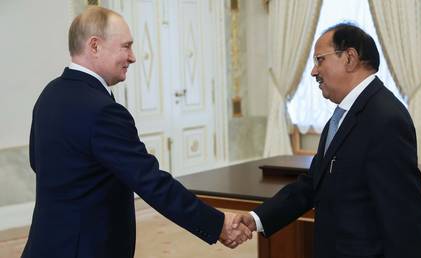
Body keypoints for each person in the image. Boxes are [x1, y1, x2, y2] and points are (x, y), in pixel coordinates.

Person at [21, 6, 250, 258]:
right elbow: (152, 183)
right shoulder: (103, 112)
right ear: (94, 46)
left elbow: (37, 162)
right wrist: (218, 225)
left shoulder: (49, 94)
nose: (133, 57)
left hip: (44, 245)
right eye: (126, 46)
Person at [235, 23, 421, 258]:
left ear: (349, 58)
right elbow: (313, 184)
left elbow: (403, 218)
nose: (313, 72)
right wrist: (257, 219)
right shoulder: (342, 116)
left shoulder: (385, 118)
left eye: (319, 60)